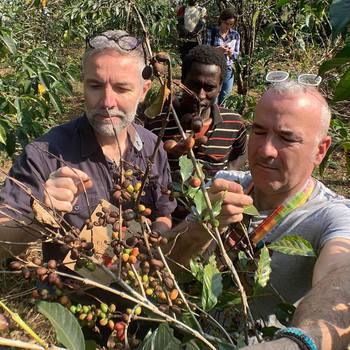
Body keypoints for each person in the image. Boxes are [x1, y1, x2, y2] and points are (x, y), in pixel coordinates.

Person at [167, 81, 350, 349]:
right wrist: (199, 228)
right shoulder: (225, 184)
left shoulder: (331, 216)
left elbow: (341, 276)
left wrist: (296, 343)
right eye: (259, 131)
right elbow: (168, 265)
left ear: (320, 150)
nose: (265, 150)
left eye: (287, 138)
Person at [0, 30, 176, 260]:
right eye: (95, 86)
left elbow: (165, 213)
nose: (107, 102)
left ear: (143, 91)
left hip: (139, 289)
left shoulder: (152, 147)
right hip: (76, 293)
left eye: (122, 88)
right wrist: (40, 213)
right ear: (83, 84)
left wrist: (153, 237)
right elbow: (3, 245)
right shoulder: (44, 155)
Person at [146, 44, 247, 180]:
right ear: (182, 82)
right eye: (194, 85)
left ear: (220, 87)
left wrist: (227, 173)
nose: (200, 95)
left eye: (209, 87)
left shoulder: (233, 122)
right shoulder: (157, 124)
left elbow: (243, 152)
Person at [205, 8, 240, 105]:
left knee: (225, 99)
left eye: (231, 24)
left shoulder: (235, 35)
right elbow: (205, 51)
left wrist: (231, 53)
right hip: (213, 69)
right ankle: (213, 118)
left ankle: (221, 119)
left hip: (228, 69)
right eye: (226, 23)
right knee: (213, 99)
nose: (228, 26)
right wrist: (217, 50)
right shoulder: (212, 32)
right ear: (221, 20)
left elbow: (236, 55)